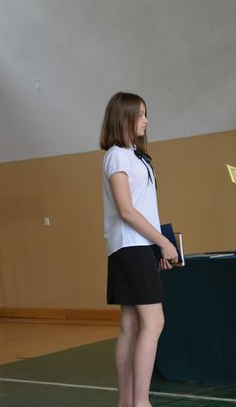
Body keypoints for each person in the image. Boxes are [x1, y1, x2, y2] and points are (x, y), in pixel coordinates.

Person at [99, 92, 178, 407]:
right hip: (131, 247)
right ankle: (141, 402)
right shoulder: (117, 156)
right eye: (141, 114)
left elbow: (143, 208)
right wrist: (163, 242)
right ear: (125, 118)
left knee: (131, 326)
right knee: (154, 322)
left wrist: (156, 247)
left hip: (138, 247)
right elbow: (126, 210)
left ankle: (127, 402)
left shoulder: (134, 156)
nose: (146, 120)